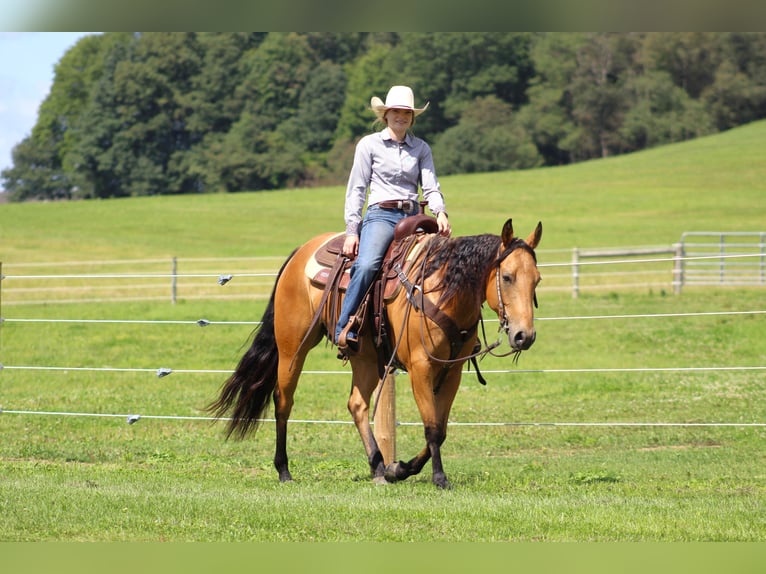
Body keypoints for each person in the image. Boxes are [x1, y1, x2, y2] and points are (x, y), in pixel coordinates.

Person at [335, 85, 451, 354]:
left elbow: (431, 185)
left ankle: (454, 330)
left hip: (414, 218)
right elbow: (357, 188)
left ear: (412, 118)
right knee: (367, 265)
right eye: (396, 111)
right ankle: (345, 328)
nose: (401, 116)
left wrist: (440, 211)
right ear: (386, 114)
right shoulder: (368, 145)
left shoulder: (421, 148)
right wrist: (352, 230)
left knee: (445, 265)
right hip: (381, 215)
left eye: (407, 113)